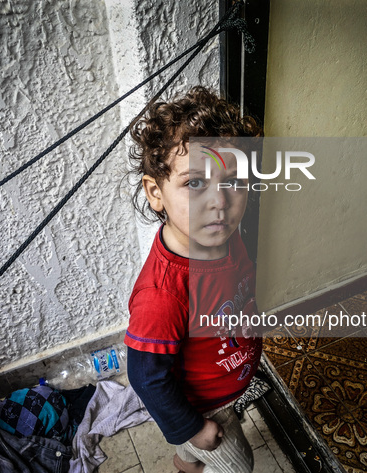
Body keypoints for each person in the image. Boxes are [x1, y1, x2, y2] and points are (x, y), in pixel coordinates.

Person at [124, 86, 263, 473]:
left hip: (228, 378)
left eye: (233, 180)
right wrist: (193, 427)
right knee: (240, 467)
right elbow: (147, 377)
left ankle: (186, 462)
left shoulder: (229, 237)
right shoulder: (163, 295)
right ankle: (192, 449)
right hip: (204, 407)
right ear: (156, 192)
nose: (220, 201)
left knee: (193, 454)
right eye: (195, 183)